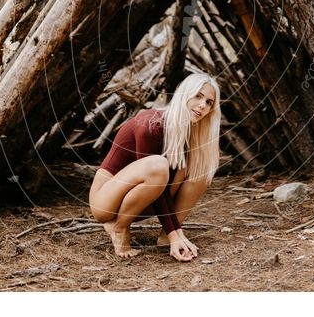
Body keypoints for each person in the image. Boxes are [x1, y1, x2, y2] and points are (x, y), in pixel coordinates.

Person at [88, 72, 221, 262]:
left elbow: (162, 189)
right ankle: (119, 227)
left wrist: (176, 233)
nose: (202, 105)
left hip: (143, 199)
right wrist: (177, 233)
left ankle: (166, 237)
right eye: (198, 96)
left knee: (200, 169)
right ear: (184, 94)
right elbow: (155, 181)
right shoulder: (151, 124)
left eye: (209, 102)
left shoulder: (188, 131)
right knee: (158, 166)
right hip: (105, 201)